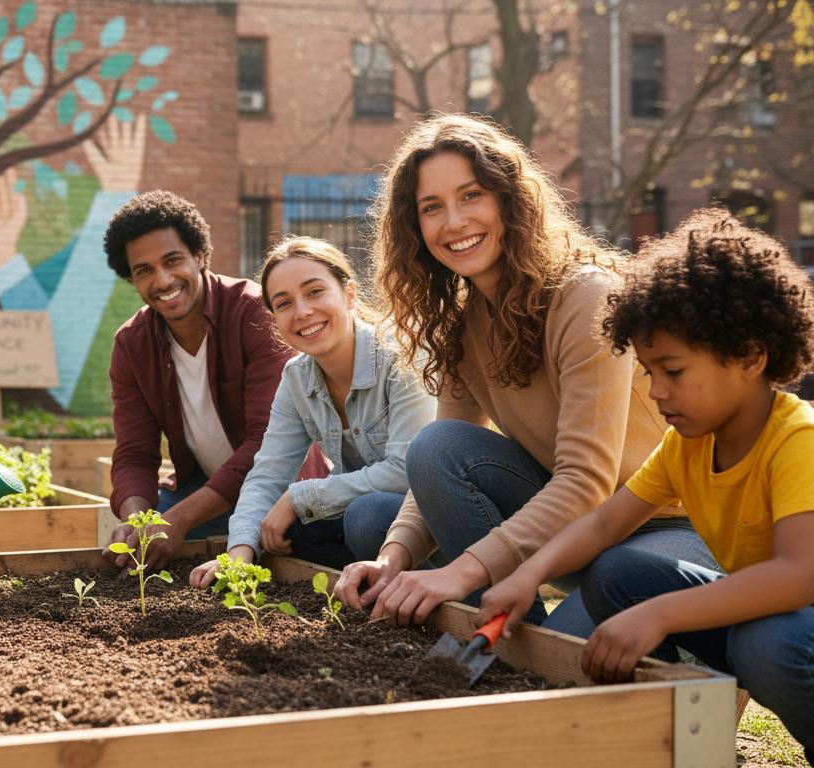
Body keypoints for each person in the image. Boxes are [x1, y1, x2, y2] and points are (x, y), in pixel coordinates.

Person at [332, 114, 716, 635]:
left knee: (578, 632)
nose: (454, 222)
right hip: (576, 528)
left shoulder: (586, 296)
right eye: (432, 208)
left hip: (668, 524)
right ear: (414, 229)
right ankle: (513, 631)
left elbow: (587, 481)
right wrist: (392, 557)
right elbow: (437, 460)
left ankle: (527, 636)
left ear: (510, 200)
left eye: (471, 196)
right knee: (408, 484)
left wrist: (458, 572)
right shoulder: (462, 321)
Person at [478, 209, 814, 758]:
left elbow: (800, 577)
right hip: (774, 625)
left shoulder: (798, 441)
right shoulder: (689, 443)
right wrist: (528, 573)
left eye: (673, 371)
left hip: (795, 630)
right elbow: (608, 522)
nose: (655, 392)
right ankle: (667, 729)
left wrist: (657, 614)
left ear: (750, 356)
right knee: (619, 571)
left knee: (764, 644)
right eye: (649, 372)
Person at [188, 237, 434, 586]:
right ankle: (362, 591)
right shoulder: (296, 378)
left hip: (426, 515)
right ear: (275, 320)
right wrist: (239, 554)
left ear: (349, 295)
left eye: (315, 292)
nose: (302, 311)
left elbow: (405, 474)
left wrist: (301, 495)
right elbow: (267, 475)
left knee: (366, 515)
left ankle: (441, 601)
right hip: (368, 522)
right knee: (283, 533)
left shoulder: (402, 356)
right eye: (284, 303)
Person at [102, 191, 328, 570]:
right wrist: (137, 521)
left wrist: (181, 520)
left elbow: (265, 443)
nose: (163, 280)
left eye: (173, 261)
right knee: (134, 551)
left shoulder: (254, 313)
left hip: (285, 491)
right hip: (205, 491)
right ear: (132, 280)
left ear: (200, 256)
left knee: (288, 545)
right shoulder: (131, 345)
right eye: (143, 270)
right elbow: (134, 455)